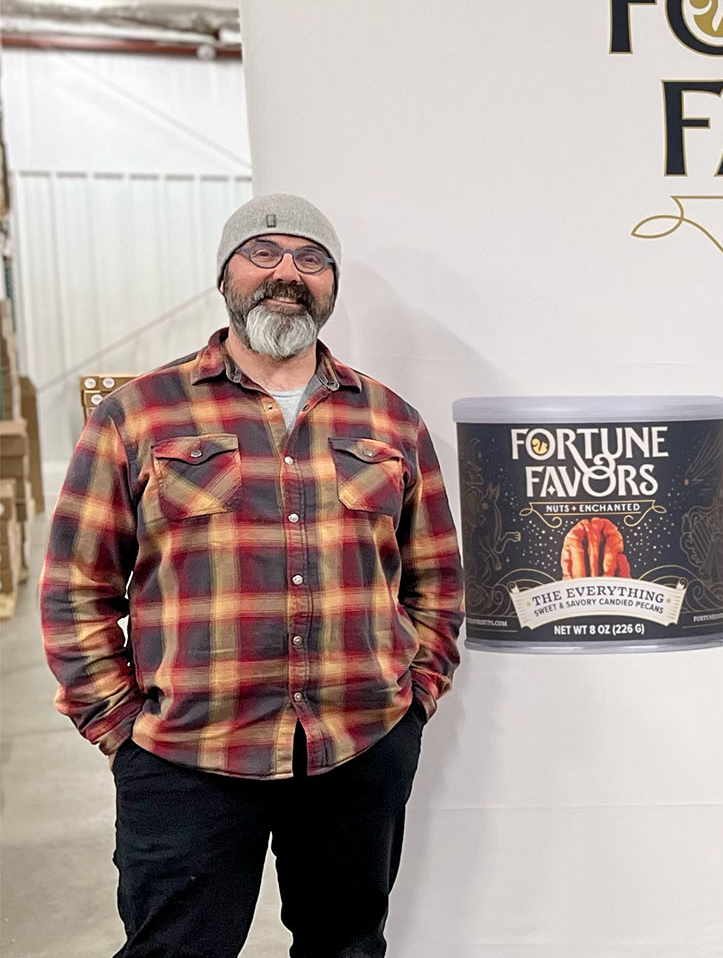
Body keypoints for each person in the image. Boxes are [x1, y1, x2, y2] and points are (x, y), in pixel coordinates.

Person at [39, 193, 464, 958]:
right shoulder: (139, 416)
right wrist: (119, 727)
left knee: (347, 945)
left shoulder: (391, 422)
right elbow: (76, 587)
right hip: (186, 757)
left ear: (331, 285)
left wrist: (413, 702)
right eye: (263, 254)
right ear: (225, 275)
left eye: (311, 260)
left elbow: (435, 581)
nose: (287, 274)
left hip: (356, 748)